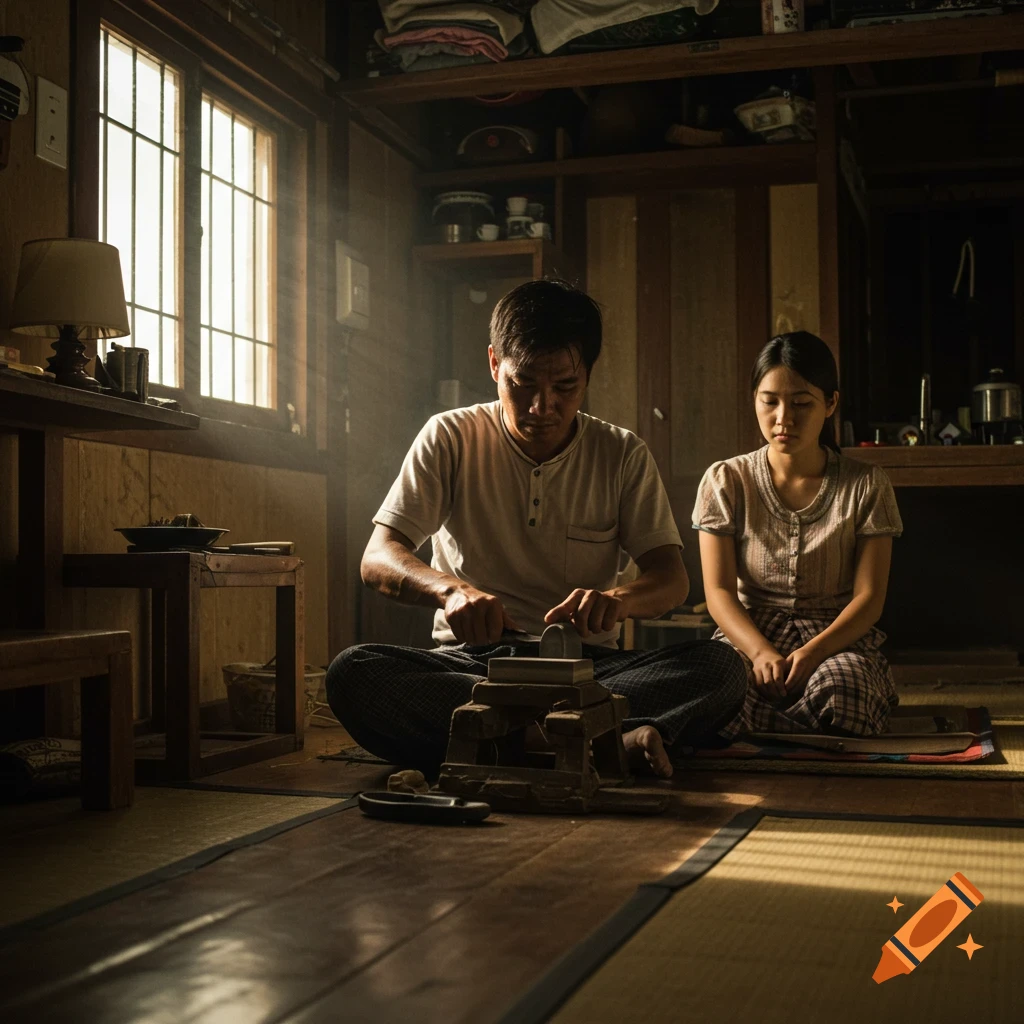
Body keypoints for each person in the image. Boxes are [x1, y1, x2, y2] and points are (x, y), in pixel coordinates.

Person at [326, 279, 746, 778]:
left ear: (587, 376)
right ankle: (591, 740)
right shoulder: (450, 436)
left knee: (722, 668)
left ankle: (511, 740)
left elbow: (671, 578)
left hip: (587, 672)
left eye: (564, 388)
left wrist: (618, 600)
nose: (541, 407)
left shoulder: (622, 453)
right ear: (493, 365)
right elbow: (378, 557)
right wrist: (451, 591)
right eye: (521, 384)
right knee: (354, 673)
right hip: (473, 667)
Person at [693, 331, 903, 739]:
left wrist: (812, 653)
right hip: (748, 636)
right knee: (710, 684)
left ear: (831, 404)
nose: (783, 418)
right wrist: (759, 652)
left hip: (834, 641)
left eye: (801, 403)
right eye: (769, 401)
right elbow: (718, 593)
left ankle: (754, 730)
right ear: (754, 398)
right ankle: (807, 734)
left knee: (846, 690)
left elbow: (869, 599)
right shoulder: (726, 480)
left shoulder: (867, 485)